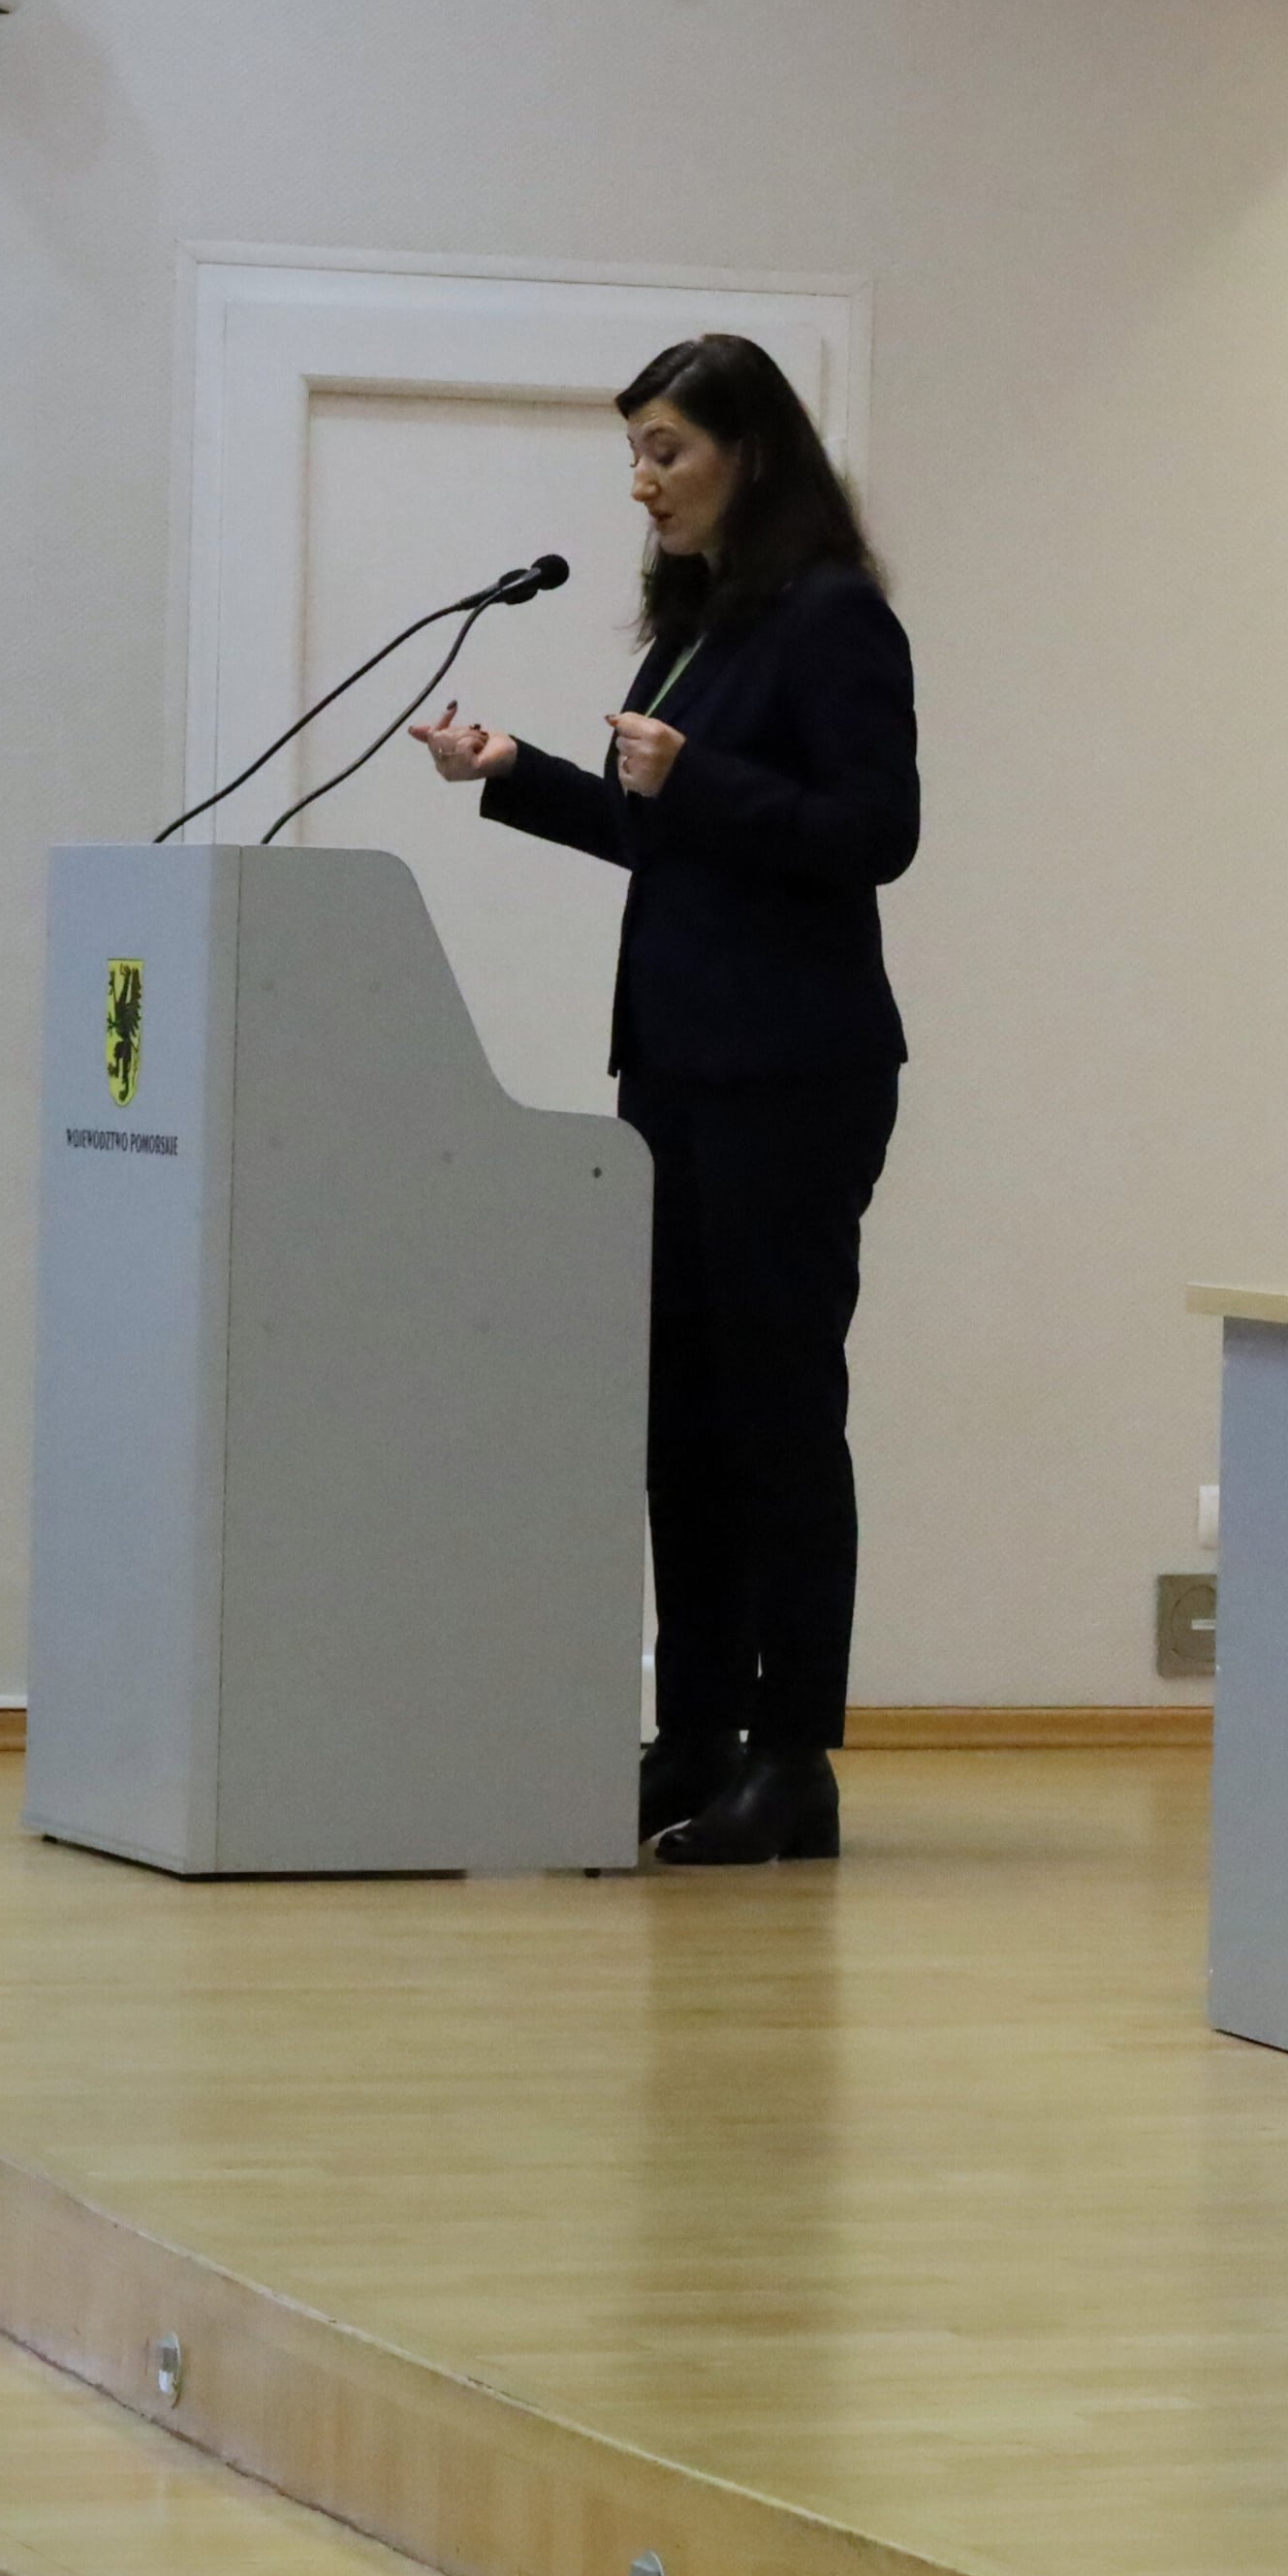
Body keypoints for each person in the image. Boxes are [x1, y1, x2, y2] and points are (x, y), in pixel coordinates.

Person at [410, 333, 919, 1867]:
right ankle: (691, 1731)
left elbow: (876, 833)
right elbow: (662, 833)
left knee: (777, 1414)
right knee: (681, 1417)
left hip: (793, 1074)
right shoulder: (697, 626)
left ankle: (793, 1758)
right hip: (678, 1066)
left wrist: (696, 779)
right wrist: (516, 771)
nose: (642, 482)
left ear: (749, 453)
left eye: (667, 450)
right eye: (634, 452)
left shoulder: (833, 616)